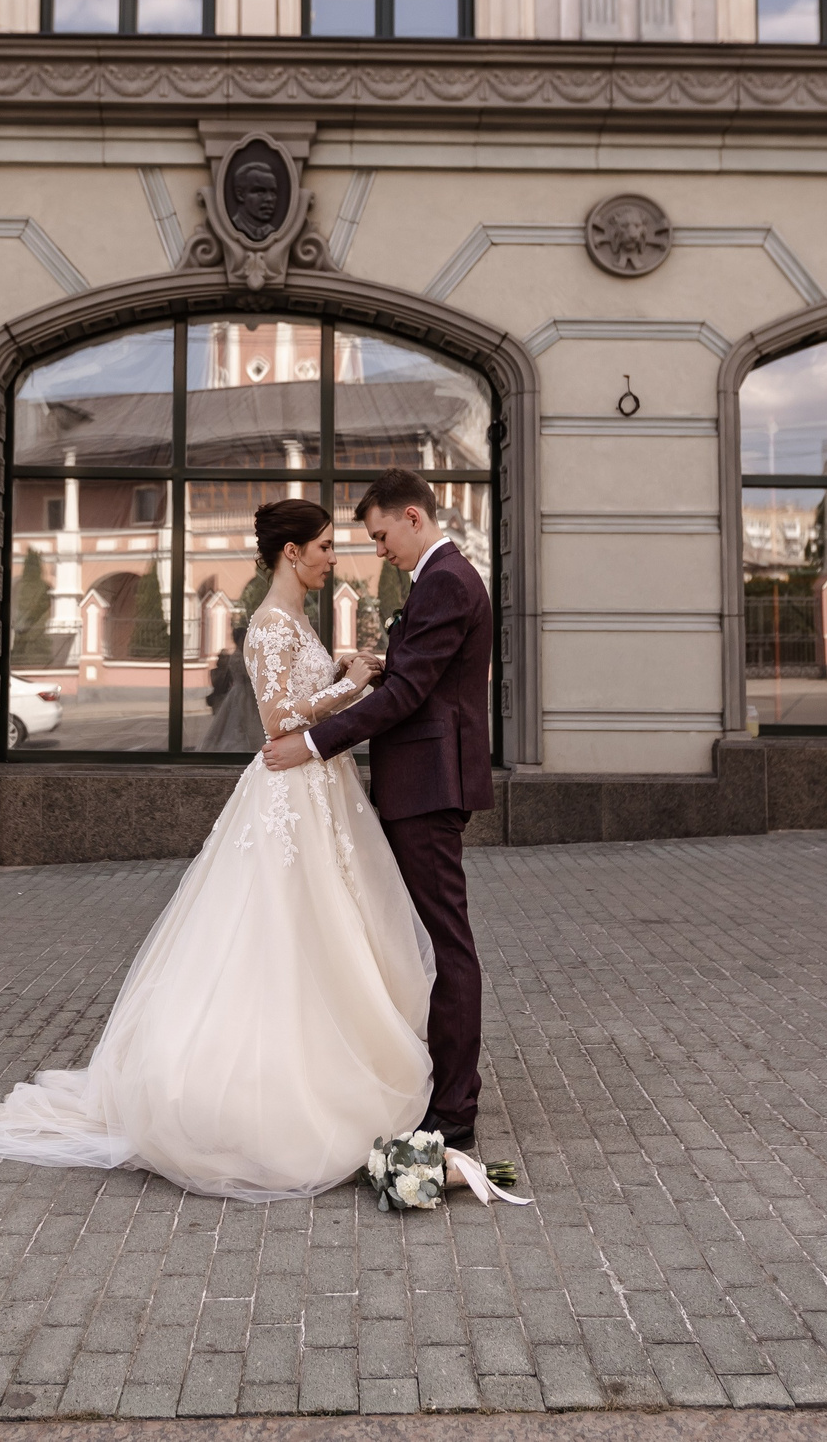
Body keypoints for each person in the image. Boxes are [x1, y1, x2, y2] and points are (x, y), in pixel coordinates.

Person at [0, 498, 436, 1200]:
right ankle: (267, 1085)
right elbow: (278, 717)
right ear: (291, 553)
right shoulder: (270, 623)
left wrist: (338, 667)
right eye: (324, 547)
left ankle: (326, 1057)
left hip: (318, 787)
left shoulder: (296, 619)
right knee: (282, 929)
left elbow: (299, 688)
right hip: (290, 791)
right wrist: (351, 684)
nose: (333, 558)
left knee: (324, 927)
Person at [262, 467, 491, 1151]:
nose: (379, 549)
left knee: (446, 945)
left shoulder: (446, 580)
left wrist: (312, 742)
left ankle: (454, 1110)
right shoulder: (439, 578)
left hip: (428, 786)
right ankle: (437, 1081)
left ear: (413, 517)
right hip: (421, 782)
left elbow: (411, 696)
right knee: (420, 936)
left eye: (382, 535)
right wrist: (381, 668)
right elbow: (422, 675)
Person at [197, 617, 263, 752]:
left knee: (244, 719)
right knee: (241, 719)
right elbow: (245, 675)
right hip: (243, 691)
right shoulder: (239, 657)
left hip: (243, 690)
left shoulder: (239, 655)